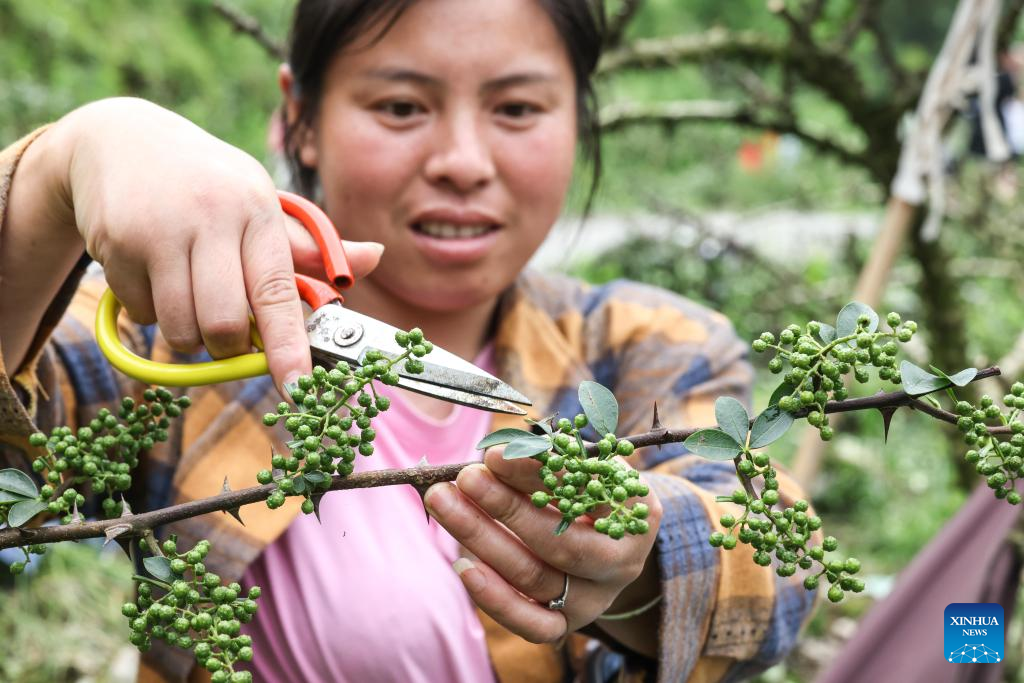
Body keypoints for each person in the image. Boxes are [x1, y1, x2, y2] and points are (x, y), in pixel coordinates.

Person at [0, 1, 818, 681]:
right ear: (300, 119)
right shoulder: (179, 327)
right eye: (400, 106)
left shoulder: (645, 343)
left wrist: (634, 556)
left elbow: (776, 569)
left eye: (518, 108)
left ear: (578, 117)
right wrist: (51, 180)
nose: (463, 161)